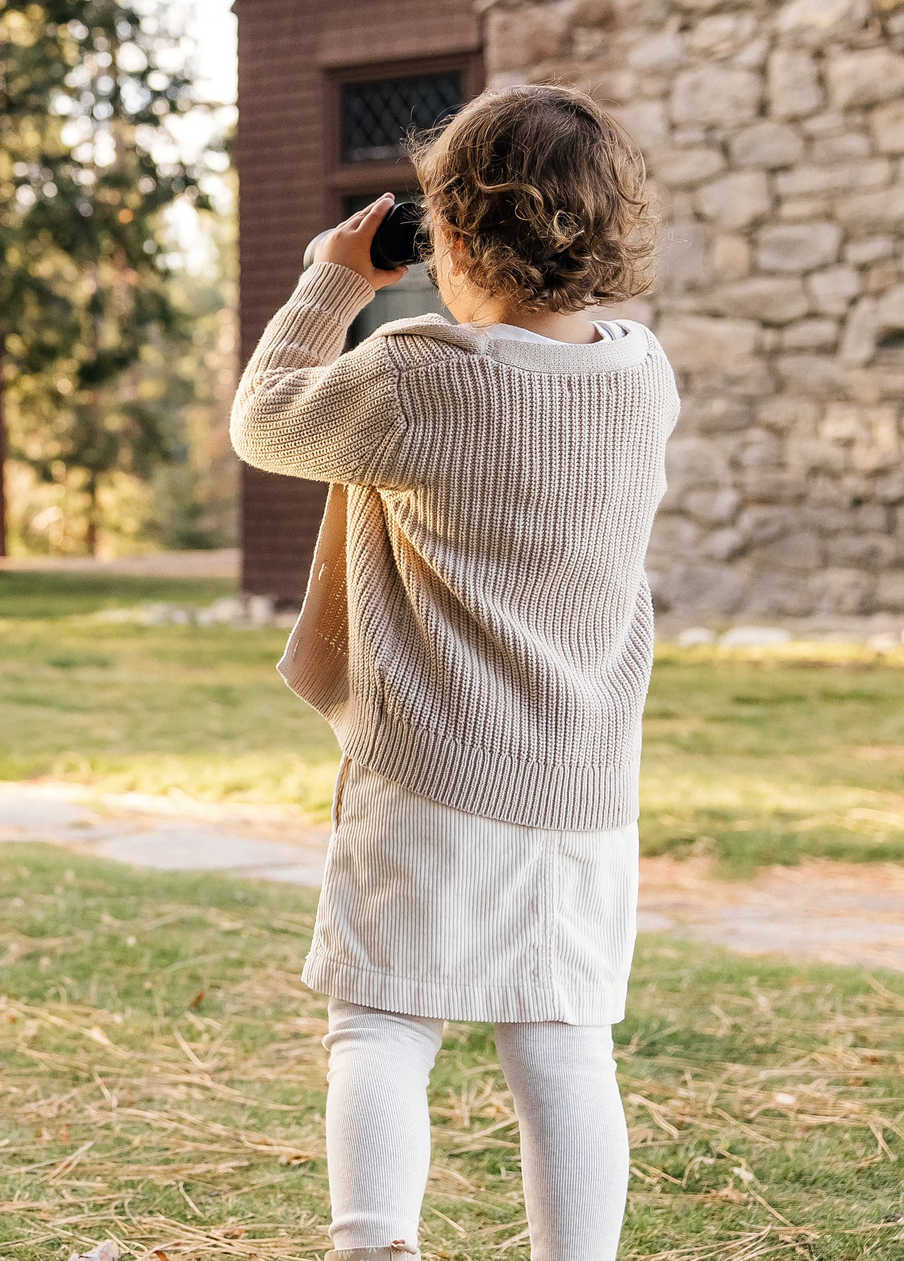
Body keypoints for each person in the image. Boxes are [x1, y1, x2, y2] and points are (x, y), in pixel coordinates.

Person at [229, 85, 675, 1261]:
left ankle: (375, 1247)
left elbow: (265, 422)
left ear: (457, 235)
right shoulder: (643, 377)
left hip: (434, 761)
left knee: (382, 1020)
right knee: (563, 1039)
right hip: (582, 778)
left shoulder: (421, 374)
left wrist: (336, 279)